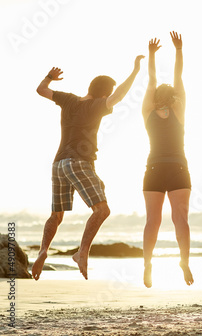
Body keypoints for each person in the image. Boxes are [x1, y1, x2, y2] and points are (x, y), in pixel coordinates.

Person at [32, 55, 144, 280]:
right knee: (102, 210)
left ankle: (43, 250)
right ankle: (82, 251)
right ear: (104, 93)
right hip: (78, 162)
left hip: (58, 164)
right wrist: (135, 70)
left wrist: (50, 77)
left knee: (56, 215)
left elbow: (41, 90)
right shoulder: (96, 105)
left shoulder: (69, 99)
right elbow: (119, 95)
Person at [141, 33, 193, 288]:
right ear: (172, 97)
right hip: (178, 168)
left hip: (153, 169)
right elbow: (178, 78)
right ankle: (184, 260)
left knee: (153, 220)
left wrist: (151, 54)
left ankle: (147, 262)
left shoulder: (148, 112)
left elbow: (151, 80)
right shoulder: (179, 110)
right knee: (180, 218)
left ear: (154, 98)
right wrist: (179, 49)